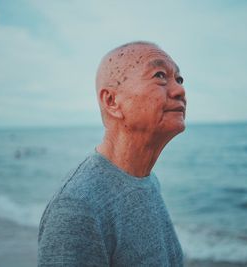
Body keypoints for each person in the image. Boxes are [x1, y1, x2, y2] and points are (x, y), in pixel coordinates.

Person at [38, 41, 186, 266]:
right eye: (160, 75)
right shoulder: (76, 206)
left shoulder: (148, 181)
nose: (179, 90)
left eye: (179, 78)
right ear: (112, 101)